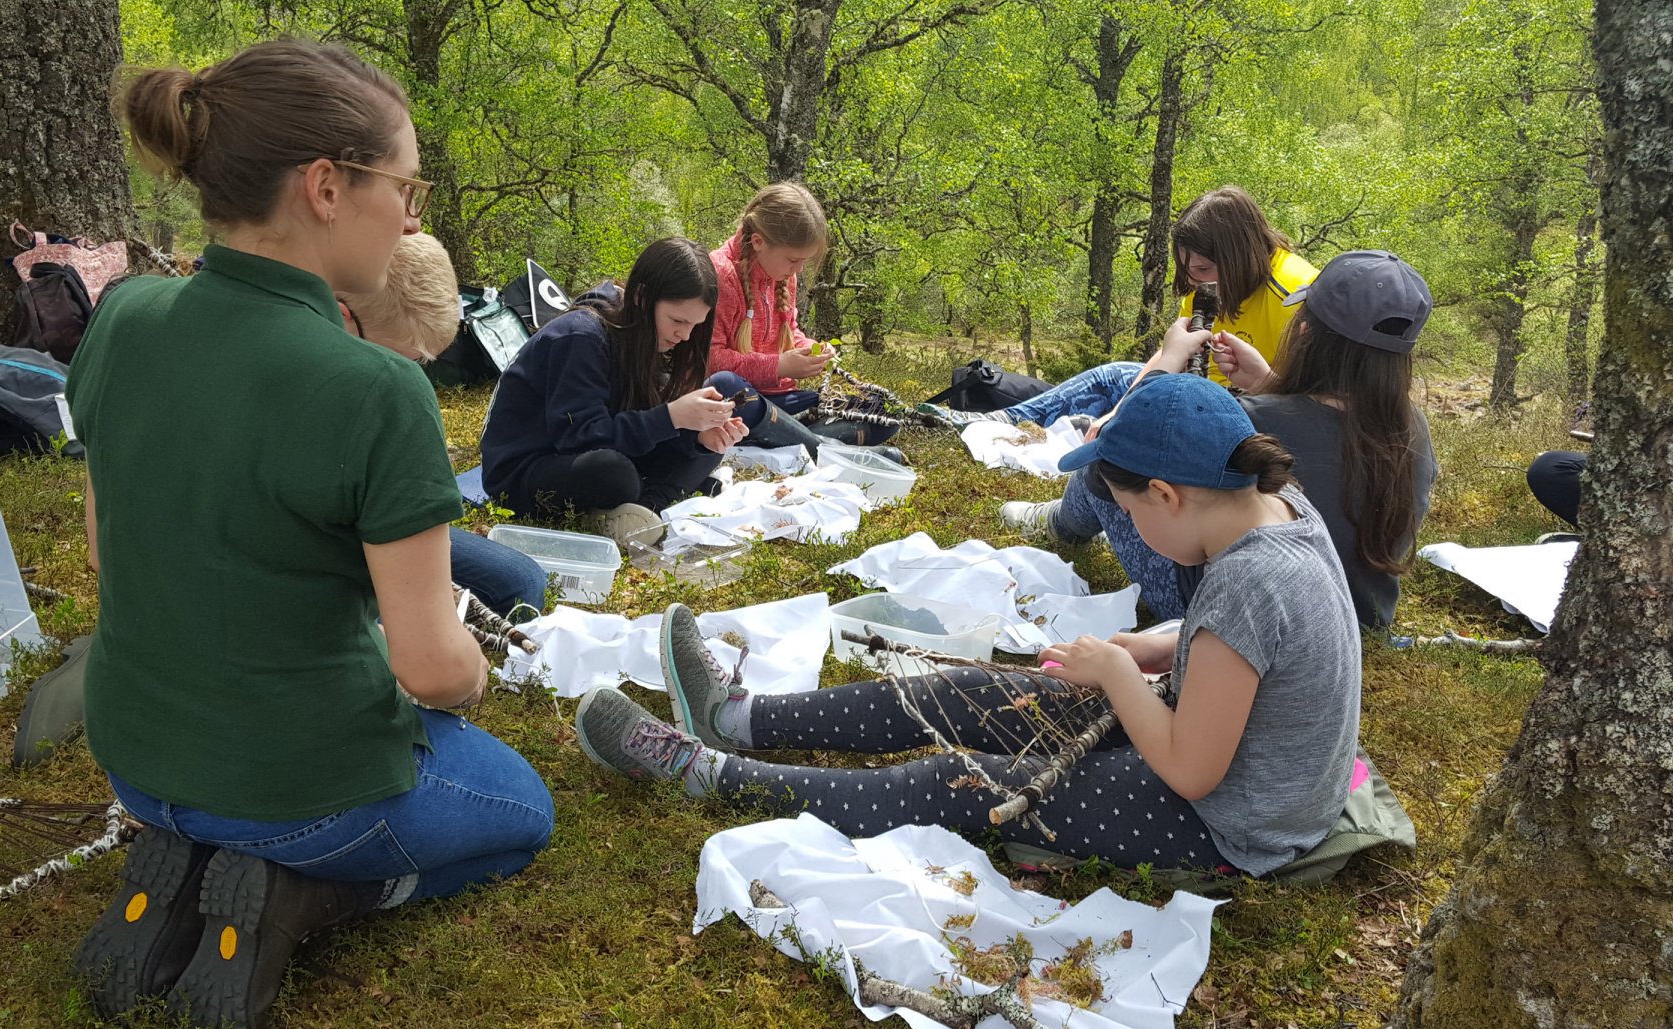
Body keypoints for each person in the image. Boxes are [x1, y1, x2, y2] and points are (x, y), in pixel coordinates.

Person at [66, 41, 554, 1029]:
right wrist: (477, 673)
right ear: (327, 187)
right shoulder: (377, 387)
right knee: (523, 813)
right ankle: (303, 895)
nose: (412, 219)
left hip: (136, 762)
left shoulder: (123, 315)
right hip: (298, 794)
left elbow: (109, 558)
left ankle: (196, 864)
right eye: (406, 188)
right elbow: (432, 672)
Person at [575, 373, 1363, 880]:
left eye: (1125, 510)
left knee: (956, 782)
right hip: (1234, 760)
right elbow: (1245, 650)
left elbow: (1192, 771)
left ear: (1166, 495)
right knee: (970, 693)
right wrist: (1154, 646)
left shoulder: (1248, 582)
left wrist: (1122, 674)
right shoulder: (1277, 507)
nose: (1129, 527)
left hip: (1232, 825)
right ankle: (736, 717)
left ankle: (709, 772)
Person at [1003, 250, 1438, 631]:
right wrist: (1268, 383)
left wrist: (1170, 358)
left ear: (1306, 333)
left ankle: (1062, 523)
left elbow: (1126, 436)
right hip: (1357, 616)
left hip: (1231, 608)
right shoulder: (1413, 429)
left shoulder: (1253, 424)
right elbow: (1325, 438)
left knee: (1103, 463)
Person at [919, 186, 1319, 430]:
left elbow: (1317, 408)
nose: (1195, 281)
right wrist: (1123, 408)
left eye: (1202, 269)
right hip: (1190, 394)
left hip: (1246, 416)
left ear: (1236, 257)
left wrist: (1261, 383)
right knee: (1114, 377)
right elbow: (1169, 353)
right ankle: (1000, 421)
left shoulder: (1297, 294)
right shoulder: (1208, 283)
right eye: (1188, 270)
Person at [479, 237, 754, 544]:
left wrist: (698, 437)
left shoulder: (646, 335)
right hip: (529, 470)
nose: (686, 335)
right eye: (678, 320)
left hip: (598, 448)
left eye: (695, 325)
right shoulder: (580, 336)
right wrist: (671, 417)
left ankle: (642, 510)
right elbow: (580, 438)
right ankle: (645, 502)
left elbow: (635, 425)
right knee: (614, 473)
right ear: (642, 297)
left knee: (707, 442)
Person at [339, 233, 547, 616]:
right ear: (343, 318)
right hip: (330, 540)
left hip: (384, 524)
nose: (411, 375)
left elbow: (416, 519)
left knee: (523, 582)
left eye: (421, 364)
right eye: (402, 360)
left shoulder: (385, 383)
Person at [707, 182, 900, 453]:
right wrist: (779, 367)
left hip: (782, 401)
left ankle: (783, 437)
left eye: (803, 261)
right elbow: (711, 360)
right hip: (745, 399)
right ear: (758, 242)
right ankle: (819, 447)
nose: (798, 269)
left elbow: (790, 331)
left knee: (885, 412)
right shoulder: (720, 274)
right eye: (793, 260)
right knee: (725, 385)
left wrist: (810, 349)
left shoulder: (783, 275)